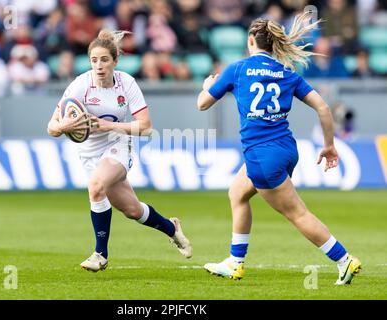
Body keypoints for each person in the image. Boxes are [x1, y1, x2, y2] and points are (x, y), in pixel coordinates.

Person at [196, 12, 361, 285]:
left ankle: (345, 260)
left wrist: (208, 86)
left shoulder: (237, 69)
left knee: (297, 213)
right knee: (237, 192)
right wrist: (330, 145)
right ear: (274, 45)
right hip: (285, 149)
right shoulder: (286, 73)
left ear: (251, 41)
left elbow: (202, 104)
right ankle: (234, 262)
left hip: (262, 154)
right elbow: (322, 107)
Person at [47, 30, 192, 272]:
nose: (99, 66)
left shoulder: (127, 83)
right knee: (132, 210)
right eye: (94, 60)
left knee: (95, 186)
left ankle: (100, 254)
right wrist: (64, 126)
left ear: (115, 61)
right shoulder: (81, 85)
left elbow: (145, 127)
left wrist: (109, 126)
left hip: (118, 144)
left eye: (104, 60)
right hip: (89, 152)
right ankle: (172, 228)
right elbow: (51, 127)